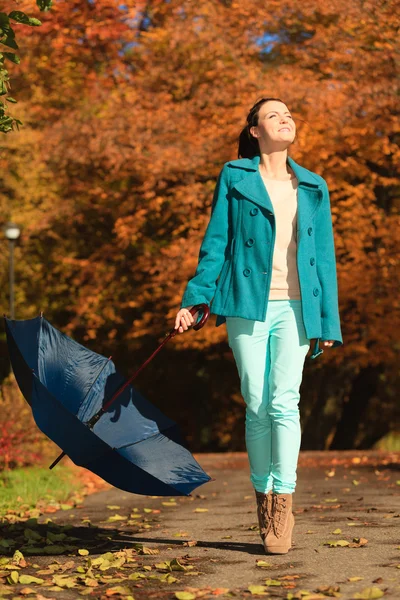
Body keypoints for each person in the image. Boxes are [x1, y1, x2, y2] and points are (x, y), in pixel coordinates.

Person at [174, 97, 343, 554]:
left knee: (285, 401)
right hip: (247, 302)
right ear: (255, 131)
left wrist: (327, 317)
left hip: (297, 307)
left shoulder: (313, 186)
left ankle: (282, 506)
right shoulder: (235, 176)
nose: (286, 119)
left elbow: (323, 259)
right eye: (274, 115)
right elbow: (217, 242)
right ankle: (262, 498)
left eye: (289, 114)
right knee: (256, 401)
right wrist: (196, 300)